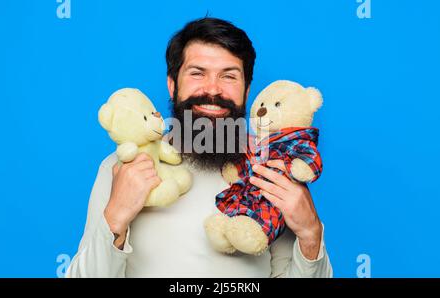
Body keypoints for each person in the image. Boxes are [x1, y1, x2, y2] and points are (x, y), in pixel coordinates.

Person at [66, 17, 333, 278]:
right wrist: (115, 217)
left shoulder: (269, 170)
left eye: (229, 76)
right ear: (173, 85)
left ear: (247, 89)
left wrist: (310, 234)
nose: (213, 90)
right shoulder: (123, 167)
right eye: (197, 73)